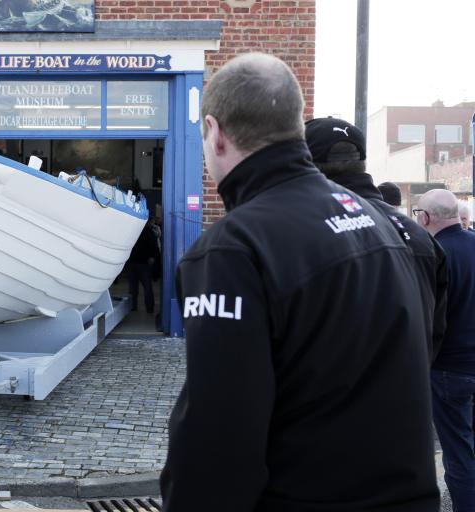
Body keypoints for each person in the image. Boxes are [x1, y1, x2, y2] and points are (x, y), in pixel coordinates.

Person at [160, 53, 438, 511]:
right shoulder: (376, 221)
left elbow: (219, 437)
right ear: (294, 125)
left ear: (215, 132)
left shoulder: (233, 249)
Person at [305, 117, 448, 361]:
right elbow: (435, 328)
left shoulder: (309, 231)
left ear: (308, 163)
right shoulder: (418, 236)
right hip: (410, 387)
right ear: (362, 162)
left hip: (339, 391)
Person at [416, 189, 475, 511]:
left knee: (458, 449)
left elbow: (426, 313)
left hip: (449, 367)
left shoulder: (434, 253)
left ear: (425, 218)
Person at [126, 217, 159, 313]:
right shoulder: (149, 232)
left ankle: (133, 306)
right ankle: (149, 308)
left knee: (133, 287)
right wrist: (152, 257)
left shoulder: (132, 231)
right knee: (147, 287)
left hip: (133, 262)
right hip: (144, 263)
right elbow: (154, 246)